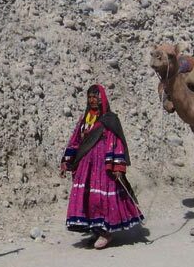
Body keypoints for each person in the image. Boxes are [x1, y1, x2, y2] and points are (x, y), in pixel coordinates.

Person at [60, 84, 143, 249]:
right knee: (86, 197)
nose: (92, 100)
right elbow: (75, 140)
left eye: (95, 97)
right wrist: (66, 160)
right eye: (89, 97)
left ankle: (106, 232)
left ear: (102, 99)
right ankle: (96, 230)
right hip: (86, 165)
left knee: (100, 197)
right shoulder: (85, 119)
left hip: (102, 167)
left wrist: (117, 166)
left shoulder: (110, 119)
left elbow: (116, 142)